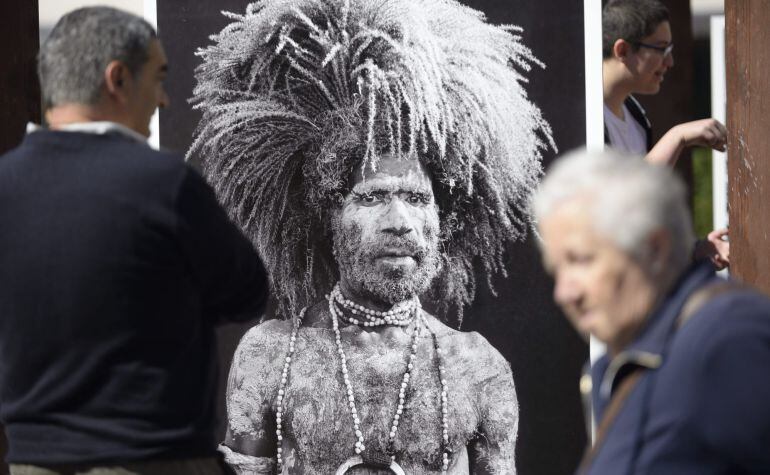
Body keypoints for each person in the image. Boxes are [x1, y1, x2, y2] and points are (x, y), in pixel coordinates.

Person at [189, 0, 554, 472]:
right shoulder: (270, 354)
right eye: (372, 197)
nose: (400, 221)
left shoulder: (477, 368)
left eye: (418, 199)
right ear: (329, 215)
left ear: (446, 219)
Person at [0, 7, 269, 474]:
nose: (164, 99)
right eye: (158, 78)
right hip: (153, 462)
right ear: (117, 79)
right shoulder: (163, 185)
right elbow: (247, 292)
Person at [533, 149, 770, 475]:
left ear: (654, 249)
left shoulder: (725, 336)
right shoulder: (611, 369)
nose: (564, 293)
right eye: (556, 271)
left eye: (581, 261)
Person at [602, 0, 729, 269]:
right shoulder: (585, 118)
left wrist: (693, 250)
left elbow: (639, 217)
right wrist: (677, 136)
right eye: (661, 49)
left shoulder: (636, 117)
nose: (670, 62)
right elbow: (618, 201)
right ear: (622, 50)